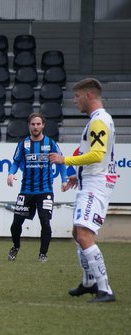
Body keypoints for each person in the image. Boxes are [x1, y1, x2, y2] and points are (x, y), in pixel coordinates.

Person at [49, 78, 117, 303]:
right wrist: (76, 175)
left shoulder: (99, 121)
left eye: (77, 96)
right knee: (77, 233)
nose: (74, 100)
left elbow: (97, 155)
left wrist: (65, 160)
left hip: (96, 184)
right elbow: (99, 157)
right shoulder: (98, 120)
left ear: (89, 96)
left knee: (85, 235)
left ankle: (104, 289)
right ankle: (89, 282)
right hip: (90, 181)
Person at [6, 112, 68, 262]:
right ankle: (15, 246)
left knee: (45, 222)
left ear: (43, 125)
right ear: (29, 125)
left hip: (45, 191)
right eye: (33, 124)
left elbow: (61, 162)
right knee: (15, 224)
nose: (35, 127)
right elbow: (15, 162)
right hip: (26, 190)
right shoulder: (23, 144)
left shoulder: (50, 144)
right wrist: (10, 174)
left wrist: (64, 180)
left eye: (38, 124)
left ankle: (43, 254)